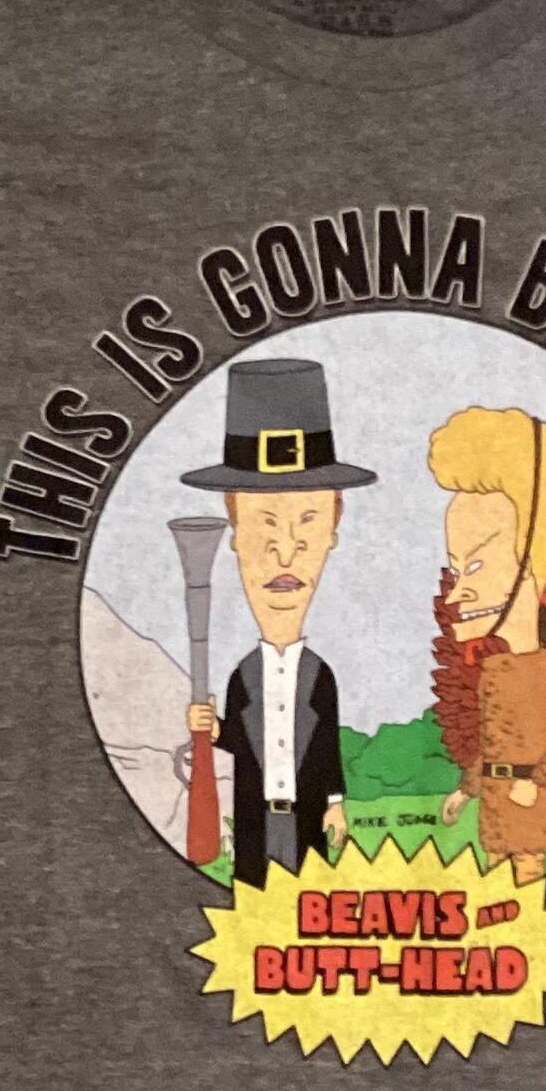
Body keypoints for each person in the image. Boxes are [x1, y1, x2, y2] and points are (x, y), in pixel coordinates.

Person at [180, 354, 375, 884]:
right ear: (233, 523)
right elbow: (238, 743)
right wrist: (213, 730)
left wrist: (335, 803)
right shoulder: (243, 674)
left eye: (307, 519)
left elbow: (327, 746)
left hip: (307, 821)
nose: (285, 551)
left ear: (335, 520)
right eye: (265, 521)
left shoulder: (320, 675)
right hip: (253, 821)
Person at [429, 405, 546, 883]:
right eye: (456, 570)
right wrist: (467, 790)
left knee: (528, 885)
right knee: (496, 887)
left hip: (528, 804)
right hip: (493, 806)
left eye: (474, 567)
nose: (456, 594)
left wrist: (533, 779)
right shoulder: (493, 670)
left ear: (526, 563)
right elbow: (492, 746)